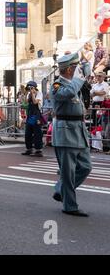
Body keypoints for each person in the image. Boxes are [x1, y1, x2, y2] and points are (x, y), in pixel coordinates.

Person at [51, 53, 92, 217]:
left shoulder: (76, 85)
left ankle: (61, 189)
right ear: (69, 69)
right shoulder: (57, 85)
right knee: (68, 173)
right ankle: (70, 206)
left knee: (86, 167)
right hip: (65, 133)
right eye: (75, 68)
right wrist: (78, 79)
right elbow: (66, 94)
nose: (77, 71)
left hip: (79, 131)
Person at [21, 81, 44, 157]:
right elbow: (25, 103)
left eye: (31, 87)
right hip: (30, 115)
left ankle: (38, 150)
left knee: (37, 133)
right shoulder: (29, 94)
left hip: (36, 115)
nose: (30, 89)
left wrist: (33, 94)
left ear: (35, 87)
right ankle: (29, 149)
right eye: (29, 87)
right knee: (28, 132)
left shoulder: (39, 93)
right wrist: (25, 94)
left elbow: (35, 102)